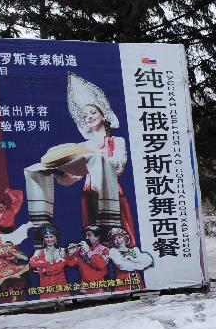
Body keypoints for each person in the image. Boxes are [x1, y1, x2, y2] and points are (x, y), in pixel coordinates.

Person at [24, 73, 141, 251]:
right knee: (96, 242)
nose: (90, 117)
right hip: (88, 193)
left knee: (118, 240)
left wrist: (95, 159)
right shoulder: (82, 146)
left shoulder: (117, 141)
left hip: (111, 191)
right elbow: (72, 177)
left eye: (93, 112)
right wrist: (60, 170)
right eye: (86, 115)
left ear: (103, 114)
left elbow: (118, 167)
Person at [106, 227, 154, 291]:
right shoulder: (113, 251)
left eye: (120, 237)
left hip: (137, 279)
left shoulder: (134, 250)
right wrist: (137, 263)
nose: (118, 241)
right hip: (122, 280)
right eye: (115, 239)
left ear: (125, 237)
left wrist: (132, 260)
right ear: (112, 241)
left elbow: (147, 261)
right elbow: (122, 266)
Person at [29, 224, 69, 299]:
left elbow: (60, 267)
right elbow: (32, 263)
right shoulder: (39, 252)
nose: (49, 239)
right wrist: (48, 263)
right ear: (43, 239)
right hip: (46, 284)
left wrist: (43, 270)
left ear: (56, 238)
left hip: (60, 283)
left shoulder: (61, 251)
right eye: (46, 237)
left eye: (51, 236)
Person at [66, 226, 109, 294]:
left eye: (89, 235)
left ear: (97, 237)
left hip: (98, 285)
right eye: (86, 235)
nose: (86, 238)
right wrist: (70, 254)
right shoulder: (80, 249)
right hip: (84, 286)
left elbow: (101, 265)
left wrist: (88, 251)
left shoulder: (104, 250)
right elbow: (71, 263)